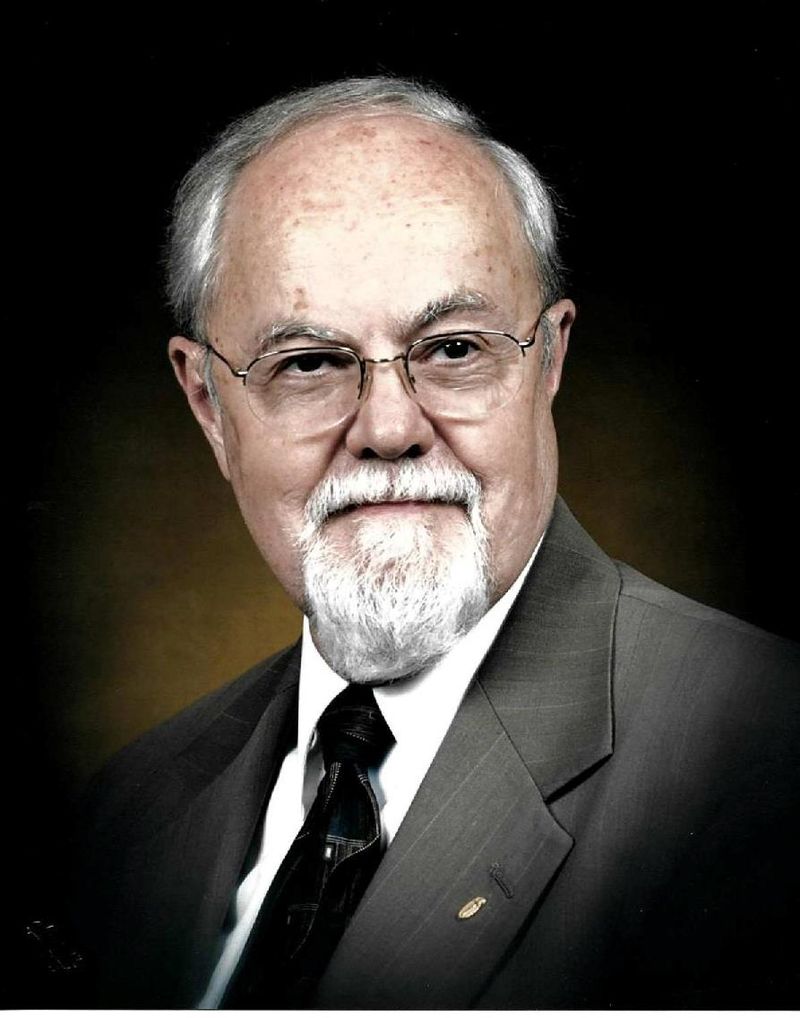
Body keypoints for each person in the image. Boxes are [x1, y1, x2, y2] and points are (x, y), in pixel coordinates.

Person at [65, 76, 798, 1008]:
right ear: (209, 404)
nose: (388, 428)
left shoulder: (765, 754)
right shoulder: (127, 814)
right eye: (309, 362)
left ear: (549, 360)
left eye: (454, 348)